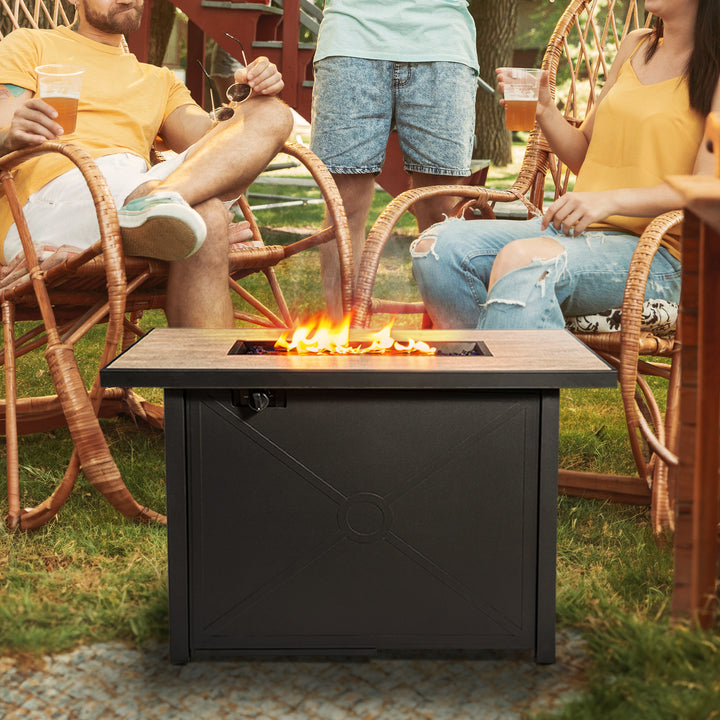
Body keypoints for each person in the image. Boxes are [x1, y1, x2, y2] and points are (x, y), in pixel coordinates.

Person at [411, 0, 720, 331]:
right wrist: (545, 110)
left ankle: (502, 376)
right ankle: (490, 371)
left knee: (523, 263)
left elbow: (705, 188)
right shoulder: (636, 45)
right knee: (436, 248)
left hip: (660, 255)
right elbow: (584, 153)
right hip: (576, 232)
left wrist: (608, 201)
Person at [0, 0, 294, 329]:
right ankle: (155, 203)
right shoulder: (30, 44)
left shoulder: (159, 80)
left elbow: (212, 141)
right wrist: (11, 135)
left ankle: (154, 203)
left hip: (136, 188)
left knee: (273, 113)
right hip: (50, 193)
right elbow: (3, 130)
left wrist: (249, 97)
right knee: (208, 214)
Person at [310, 0, 479, 319]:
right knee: (343, 206)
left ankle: (448, 343)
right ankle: (341, 338)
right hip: (351, 33)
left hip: (442, 39)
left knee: (441, 208)